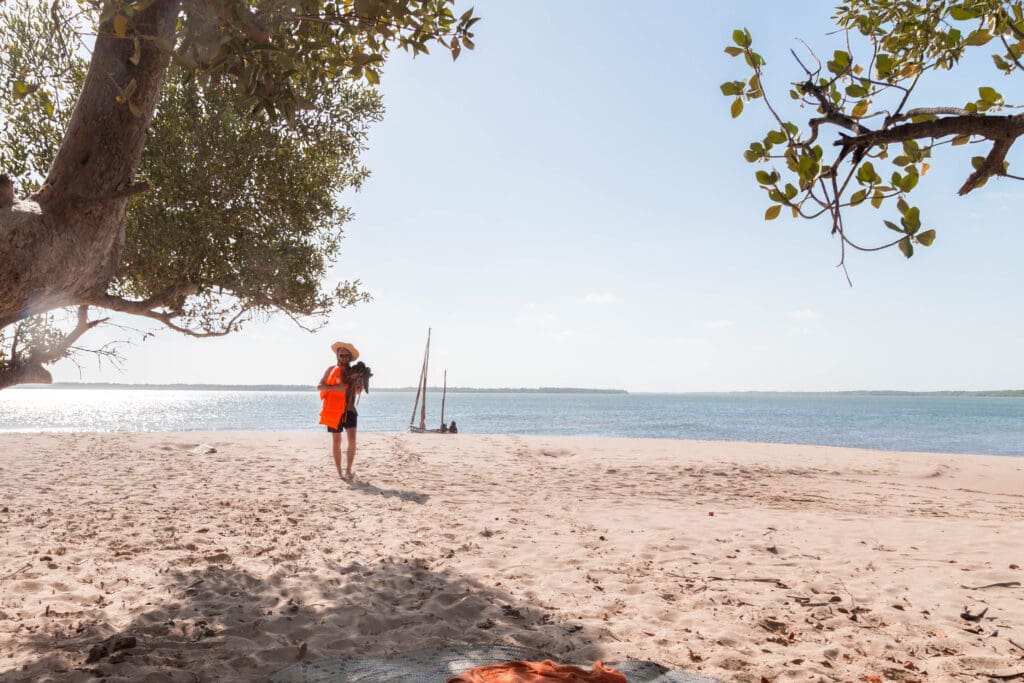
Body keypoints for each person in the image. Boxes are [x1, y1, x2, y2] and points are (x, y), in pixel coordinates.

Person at [318, 341, 362, 479]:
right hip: (333, 411)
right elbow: (319, 387)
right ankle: (339, 472)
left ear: (350, 357)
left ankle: (348, 470)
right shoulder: (331, 370)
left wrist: (359, 387)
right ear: (337, 356)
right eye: (341, 355)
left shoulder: (354, 372)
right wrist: (335, 388)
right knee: (336, 441)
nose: (343, 358)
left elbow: (357, 392)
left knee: (352, 441)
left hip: (349, 410)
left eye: (346, 356)